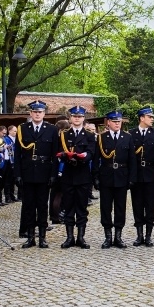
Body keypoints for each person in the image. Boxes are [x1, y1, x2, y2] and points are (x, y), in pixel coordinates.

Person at [15, 100, 58, 249]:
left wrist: (53, 174)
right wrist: (18, 174)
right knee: (28, 206)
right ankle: (30, 237)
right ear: (30, 113)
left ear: (44, 113)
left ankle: (42, 237)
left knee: (42, 205)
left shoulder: (51, 130)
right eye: (35, 112)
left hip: (44, 172)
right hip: (27, 172)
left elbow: (54, 154)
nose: (37, 114)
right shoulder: (23, 129)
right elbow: (17, 154)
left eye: (40, 112)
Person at [94, 110, 136, 249]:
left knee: (120, 207)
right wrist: (96, 178)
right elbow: (96, 159)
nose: (118, 124)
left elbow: (132, 160)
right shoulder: (101, 138)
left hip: (122, 176)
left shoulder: (127, 137)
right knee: (105, 208)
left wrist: (131, 178)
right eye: (115, 121)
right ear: (109, 123)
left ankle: (118, 236)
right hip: (106, 176)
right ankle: (108, 236)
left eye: (119, 122)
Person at [56, 106, 95, 249]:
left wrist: (82, 157)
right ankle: (69, 237)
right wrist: (66, 156)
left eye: (80, 116)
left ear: (83, 118)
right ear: (70, 118)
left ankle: (81, 237)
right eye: (74, 116)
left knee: (82, 207)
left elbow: (91, 153)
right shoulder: (64, 134)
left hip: (83, 175)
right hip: (68, 175)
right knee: (68, 206)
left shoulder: (90, 135)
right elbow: (59, 150)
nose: (77, 118)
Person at [129, 106, 154, 246]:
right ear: (141, 118)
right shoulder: (131, 134)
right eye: (149, 117)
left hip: (150, 173)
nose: (152, 119)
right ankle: (139, 235)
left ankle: (148, 235)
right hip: (136, 175)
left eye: (152, 117)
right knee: (137, 204)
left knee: (150, 205)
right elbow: (129, 157)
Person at [3, 125, 18, 202]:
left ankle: (12, 196)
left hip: (14, 161)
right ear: (10, 131)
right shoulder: (6, 139)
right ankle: (7, 196)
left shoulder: (16, 139)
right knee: (8, 180)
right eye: (14, 131)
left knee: (13, 180)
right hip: (8, 161)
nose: (16, 132)